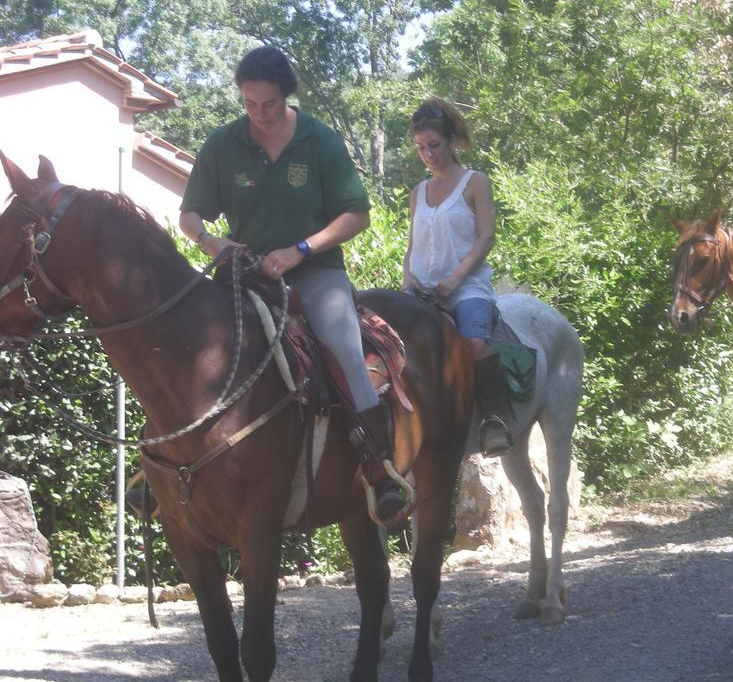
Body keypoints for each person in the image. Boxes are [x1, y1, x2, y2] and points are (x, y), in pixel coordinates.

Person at [178, 46, 405, 521]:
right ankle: (160, 466)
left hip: (315, 273)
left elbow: (356, 215)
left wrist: (300, 250)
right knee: (184, 347)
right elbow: (190, 215)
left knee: (343, 344)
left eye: (269, 104)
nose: (259, 114)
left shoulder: (320, 141)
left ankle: (380, 468)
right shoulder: (224, 143)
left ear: (287, 96)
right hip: (241, 275)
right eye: (249, 103)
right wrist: (209, 240)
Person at [402, 98, 513, 457]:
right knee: (382, 344)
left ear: (450, 141)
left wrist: (455, 278)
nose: (428, 154)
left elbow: (486, 237)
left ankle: (495, 419)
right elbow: (411, 246)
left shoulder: (475, 182)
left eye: (434, 145)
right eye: (421, 148)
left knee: (475, 343)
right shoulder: (417, 193)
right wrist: (407, 280)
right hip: (419, 290)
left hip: (466, 287)